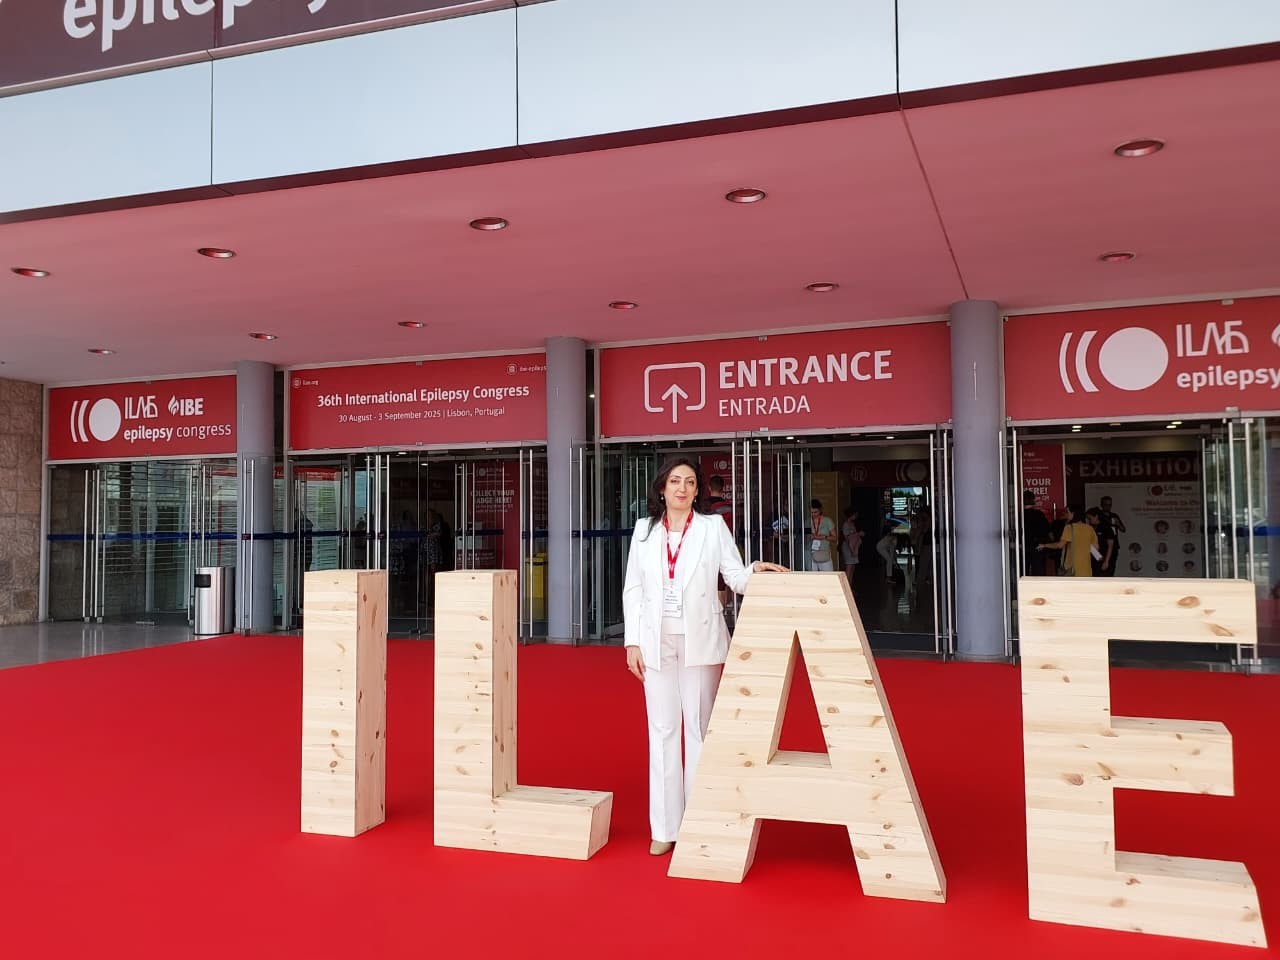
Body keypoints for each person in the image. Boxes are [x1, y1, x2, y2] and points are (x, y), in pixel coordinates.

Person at [622, 457, 787, 857]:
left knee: (698, 727)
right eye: (675, 481)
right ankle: (665, 827)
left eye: (690, 482)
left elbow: (733, 575)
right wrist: (632, 642)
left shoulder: (713, 528)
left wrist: (755, 571)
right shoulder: (644, 530)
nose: (682, 488)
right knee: (662, 730)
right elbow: (634, 589)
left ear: (698, 491)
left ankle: (697, 822)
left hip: (700, 638)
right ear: (662, 488)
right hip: (655, 640)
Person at [1037, 506, 1098, 577]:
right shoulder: (1090, 529)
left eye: (1067, 512)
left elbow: (1060, 545)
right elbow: (1095, 548)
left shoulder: (1069, 528)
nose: (1065, 514)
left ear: (1073, 514)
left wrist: (1044, 545)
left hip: (1071, 569)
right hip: (1086, 569)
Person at [1022, 491, 1050, 576]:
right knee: (1039, 573)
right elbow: (1046, 530)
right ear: (1033, 500)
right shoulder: (1039, 514)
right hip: (1038, 546)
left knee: (1022, 573)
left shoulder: (1019, 515)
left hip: (1022, 547)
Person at [807, 499, 837, 571]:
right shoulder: (807, 522)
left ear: (820, 510)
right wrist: (809, 536)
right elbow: (803, 538)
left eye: (815, 512)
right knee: (812, 577)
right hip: (810, 554)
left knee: (828, 576)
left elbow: (834, 538)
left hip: (824, 553)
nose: (813, 514)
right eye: (811, 512)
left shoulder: (827, 521)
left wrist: (823, 537)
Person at [840, 507, 862, 584]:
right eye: (854, 514)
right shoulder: (846, 524)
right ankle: (846, 586)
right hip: (848, 547)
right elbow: (847, 538)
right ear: (851, 515)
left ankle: (850, 586)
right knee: (849, 567)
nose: (855, 516)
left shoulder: (852, 524)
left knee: (852, 568)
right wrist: (858, 534)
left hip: (853, 547)